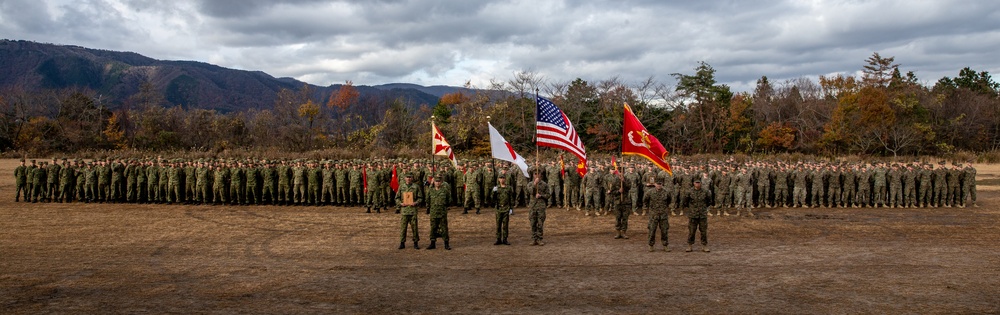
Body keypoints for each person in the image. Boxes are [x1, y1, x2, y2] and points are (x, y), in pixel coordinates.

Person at [644, 176, 672, 252]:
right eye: (657, 184)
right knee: (652, 230)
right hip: (653, 215)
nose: (659, 185)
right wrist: (650, 209)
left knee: (664, 230)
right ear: (655, 184)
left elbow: (669, 200)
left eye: (660, 184)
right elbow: (645, 200)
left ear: (662, 184)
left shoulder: (666, 192)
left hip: (663, 215)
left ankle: (665, 245)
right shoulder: (650, 192)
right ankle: (651, 245)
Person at [396, 173, 423, 249]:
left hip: (413, 210)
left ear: (412, 178)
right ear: (405, 178)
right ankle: (402, 243)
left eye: (410, 177)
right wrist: (400, 203)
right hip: (404, 210)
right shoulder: (401, 187)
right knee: (403, 228)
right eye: (407, 177)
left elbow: (420, 198)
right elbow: (397, 198)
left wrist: (416, 203)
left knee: (414, 228)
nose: (408, 179)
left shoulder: (416, 187)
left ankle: (416, 242)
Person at [426, 175, 451, 250]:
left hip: (442, 212)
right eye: (436, 181)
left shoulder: (445, 190)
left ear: (441, 182)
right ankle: (432, 243)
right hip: (433, 212)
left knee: (444, 228)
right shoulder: (430, 191)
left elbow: (449, 200)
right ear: (434, 182)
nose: (437, 183)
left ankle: (446, 243)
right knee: (433, 228)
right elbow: (427, 200)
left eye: (439, 181)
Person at [685, 179, 711, 252]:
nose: (697, 184)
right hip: (693, 214)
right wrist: (692, 208)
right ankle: (690, 245)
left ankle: (704, 245)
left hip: (702, 214)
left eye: (699, 183)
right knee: (692, 231)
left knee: (703, 231)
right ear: (693, 183)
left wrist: (703, 207)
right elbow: (685, 202)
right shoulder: (689, 191)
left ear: (701, 183)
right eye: (696, 183)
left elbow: (709, 201)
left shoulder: (705, 191)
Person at [528, 168, 549, 246]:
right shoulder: (530, 184)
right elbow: (530, 191)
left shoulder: (544, 184)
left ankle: (539, 239)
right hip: (533, 206)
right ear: (533, 175)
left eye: (538, 174)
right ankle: (534, 239)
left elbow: (548, 195)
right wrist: (534, 184)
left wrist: (541, 196)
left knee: (540, 223)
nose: (537, 175)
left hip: (541, 206)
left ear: (540, 175)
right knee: (533, 223)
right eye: (535, 174)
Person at [493, 175, 514, 245]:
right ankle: (498, 239)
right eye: (501, 178)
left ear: (505, 179)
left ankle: (505, 239)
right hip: (498, 208)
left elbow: (511, 198)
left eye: (503, 178)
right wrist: (493, 192)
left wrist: (511, 208)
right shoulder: (497, 188)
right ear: (499, 179)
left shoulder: (509, 188)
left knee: (505, 225)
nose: (502, 180)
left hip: (506, 208)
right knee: (498, 225)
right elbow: (492, 198)